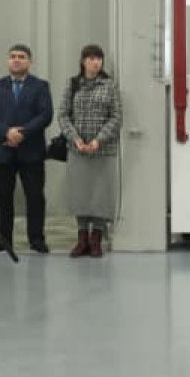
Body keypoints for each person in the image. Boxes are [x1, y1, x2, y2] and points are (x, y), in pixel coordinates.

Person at [0, 43, 54, 255]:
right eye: (13, 56)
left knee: (35, 197)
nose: (16, 60)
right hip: (3, 151)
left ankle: (37, 239)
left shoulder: (40, 86)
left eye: (21, 56)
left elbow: (45, 115)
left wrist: (22, 133)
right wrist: (7, 132)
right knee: (2, 198)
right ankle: (3, 240)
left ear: (30, 61)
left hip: (31, 151)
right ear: (8, 61)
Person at [59, 45, 123, 257]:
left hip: (103, 150)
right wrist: (76, 139)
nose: (96, 62)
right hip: (77, 149)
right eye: (91, 58)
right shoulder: (72, 84)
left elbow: (116, 117)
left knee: (100, 196)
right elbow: (63, 115)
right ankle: (81, 239)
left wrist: (98, 140)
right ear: (83, 61)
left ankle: (96, 239)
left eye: (99, 59)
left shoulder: (110, 85)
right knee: (80, 195)